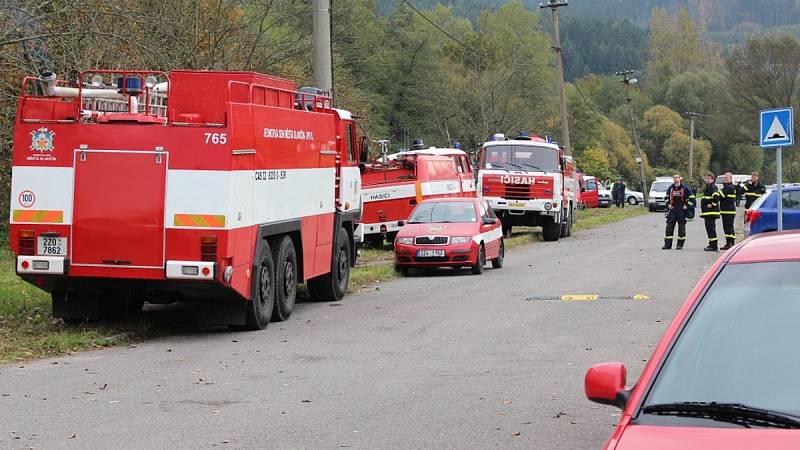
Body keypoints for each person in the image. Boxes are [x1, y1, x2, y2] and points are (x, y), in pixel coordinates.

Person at [662, 173, 693, 250]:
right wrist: (668, 204)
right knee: (669, 228)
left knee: (681, 229)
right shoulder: (670, 188)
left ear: (680, 178)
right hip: (672, 210)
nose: (675, 179)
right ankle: (667, 245)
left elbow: (692, 198)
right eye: (674, 177)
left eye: (677, 177)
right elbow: (666, 197)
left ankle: (680, 245)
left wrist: (687, 206)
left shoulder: (685, 188)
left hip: (681, 211)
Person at [700, 172, 721, 251]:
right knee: (709, 229)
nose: (707, 180)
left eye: (709, 178)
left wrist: (712, 204)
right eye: (707, 178)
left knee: (711, 229)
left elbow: (716, 197)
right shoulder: (708, 187)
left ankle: (713, 245)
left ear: (712, 179)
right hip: (707, 212)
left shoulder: (713, 187)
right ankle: (711, 243)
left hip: (711, 212)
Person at [719, 172, 737, 250]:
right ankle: (729, 243)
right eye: (725, 177)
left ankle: (730, 243)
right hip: (725, 210)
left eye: (727, 177)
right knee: (727, 227)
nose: (725, 179)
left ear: (731, 178)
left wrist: (719, 191)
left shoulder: (730, 187)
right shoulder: (727, 186)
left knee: (728, 227)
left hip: (729, 210)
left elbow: (721, 195)